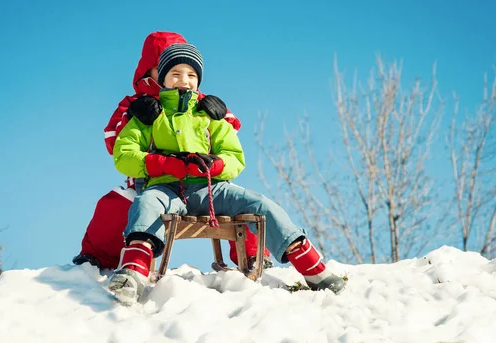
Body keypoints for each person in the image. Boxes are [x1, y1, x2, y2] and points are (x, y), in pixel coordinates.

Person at [109, 42, 346, 305]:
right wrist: (164, 164)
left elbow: (235, 156)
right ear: (161, 79)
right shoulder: (149, 115)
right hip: (165, 189)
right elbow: (124, 156)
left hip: (210, 189)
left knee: (259, 203)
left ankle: (313, 270)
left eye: (191, 75)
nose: (183, 81)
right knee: (145, 204)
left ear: (198, 81)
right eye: (175, 74)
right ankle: (134, 273)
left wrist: (216, 165)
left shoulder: (208, 114)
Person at [73, 31, 271, 271]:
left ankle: (253, 256)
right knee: (114, 204)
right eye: (164, 68)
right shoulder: (134, 104)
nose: (180, 78)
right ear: (150, 71)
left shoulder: (199, 102)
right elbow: (114, 142)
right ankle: (99, 259)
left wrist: (222, 114)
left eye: (187, 71)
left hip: (202, 182)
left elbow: (228, 140)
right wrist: (132, 116)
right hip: (151, 182)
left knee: (241, 201)